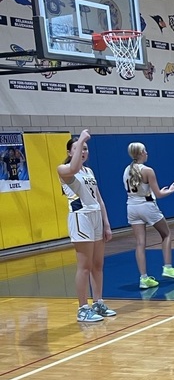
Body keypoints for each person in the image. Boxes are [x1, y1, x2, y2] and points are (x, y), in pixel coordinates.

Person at [57, 129, 116, 324]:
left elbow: (99, 199)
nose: (84, 151)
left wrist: (106, 224)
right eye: (79, 148)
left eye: (86, 148)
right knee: (84, 266)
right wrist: (82, 137)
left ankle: (98, 302)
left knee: (98, 265)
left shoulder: (89, 171)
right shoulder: (63, 169)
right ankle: (82, 308)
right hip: (80, 218)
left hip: (96, 217)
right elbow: (73, 169)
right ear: (69, 152)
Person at [123, 142, 174, 289]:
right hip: (147, 206)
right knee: (166, 234)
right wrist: (169, 190)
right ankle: (168, 267)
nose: (147, 153)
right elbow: (158, 194)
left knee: (140, 243)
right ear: (140, 153)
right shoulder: (148, 170)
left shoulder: (126, 170)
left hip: (131, 206)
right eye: (144, 151)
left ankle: (143, 278)